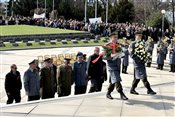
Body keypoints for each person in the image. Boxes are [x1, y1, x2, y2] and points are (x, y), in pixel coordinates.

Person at [105, 33, 128, 100]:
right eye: (114, 37)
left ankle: (108, 93)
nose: (115, 39)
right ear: (111, 38)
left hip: (118, 65)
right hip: (111, 65)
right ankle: (121, 93)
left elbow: (124, 52)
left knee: (113, 80)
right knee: (117, 79)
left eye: (116, 37)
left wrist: (121, 54)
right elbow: (104, 57)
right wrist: (112, 56)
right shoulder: (107, 45)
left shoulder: (119, 45)